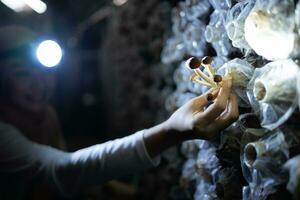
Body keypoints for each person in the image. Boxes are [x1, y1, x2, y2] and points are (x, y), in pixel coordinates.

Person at [0, 25, 239, 199]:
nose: (40, 83)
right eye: (22, 73)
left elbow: (70, 174)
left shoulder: (47, 115)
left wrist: (119, 190)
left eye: (45, 73)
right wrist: (170, 131)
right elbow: (62, 170)